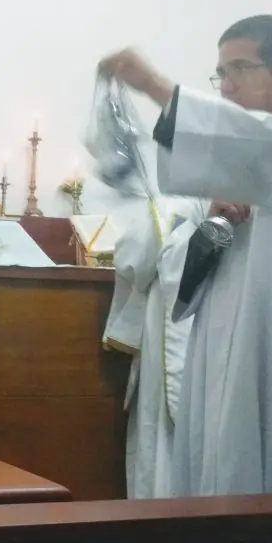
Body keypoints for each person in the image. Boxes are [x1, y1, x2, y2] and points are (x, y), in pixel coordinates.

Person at [97, 15, 272, 496]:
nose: (226, 85)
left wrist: (155, 86)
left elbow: (271, 150)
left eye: (239, 69)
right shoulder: (218, 168)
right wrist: (214, 226)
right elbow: (179, 272)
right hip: (223, 361)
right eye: (220, 73)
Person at [103, 194, 204, 498]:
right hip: (219, 328)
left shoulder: (166, 204)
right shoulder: (250, 198)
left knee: (158, 433)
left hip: (168, 320)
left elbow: (133, 260)